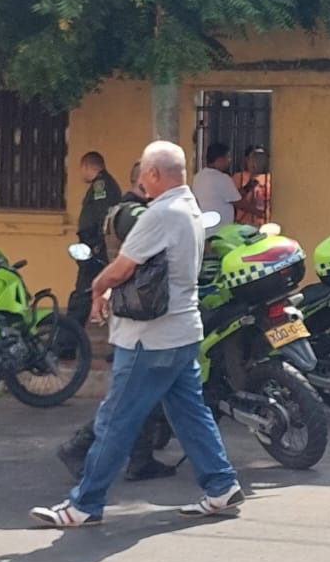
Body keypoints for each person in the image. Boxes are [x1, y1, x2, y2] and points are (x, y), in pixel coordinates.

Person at [31, 140, 243, 527]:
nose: (143, 179)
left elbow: (123, 267)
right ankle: (221, 486)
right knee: (189, 413)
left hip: (149, 338)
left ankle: (84, 504)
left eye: (145, 172)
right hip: (181, 332)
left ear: (155, 174)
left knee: (116, 419)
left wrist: (96, 288)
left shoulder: (159, 214)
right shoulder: (191, 208)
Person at [56, 165, 176, 483]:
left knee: (147, 393)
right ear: (146, 180)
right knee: (128, 397)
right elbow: (142, 262)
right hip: (139, 313)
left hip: (141, 309)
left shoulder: (130, 210)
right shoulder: (135, 215)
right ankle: (78, 448)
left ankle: (140, 458)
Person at [68, 152, 120, 336]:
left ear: (87, 167)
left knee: (82, 294)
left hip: (96, 250)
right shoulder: (103, 184)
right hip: (96, 248)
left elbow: (103, 216)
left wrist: (97, 245)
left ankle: (66, 342)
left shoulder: (101, 185)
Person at [192, 142, 244, 228]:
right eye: (228, 157)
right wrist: (260, 212)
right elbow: (238, 202)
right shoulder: (222, 178)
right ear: (220, 159)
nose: (229, 161)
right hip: (220, 229)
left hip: (203, 226)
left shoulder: (198, 176)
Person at [233, 146, 272, 228]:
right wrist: (249, 186)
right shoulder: (239, 177)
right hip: (244, 224)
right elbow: (235, 199)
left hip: (266, 224)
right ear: (247, 160)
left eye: (261, 159)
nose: (257, 162)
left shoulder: (270, 178)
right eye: (254, 159)